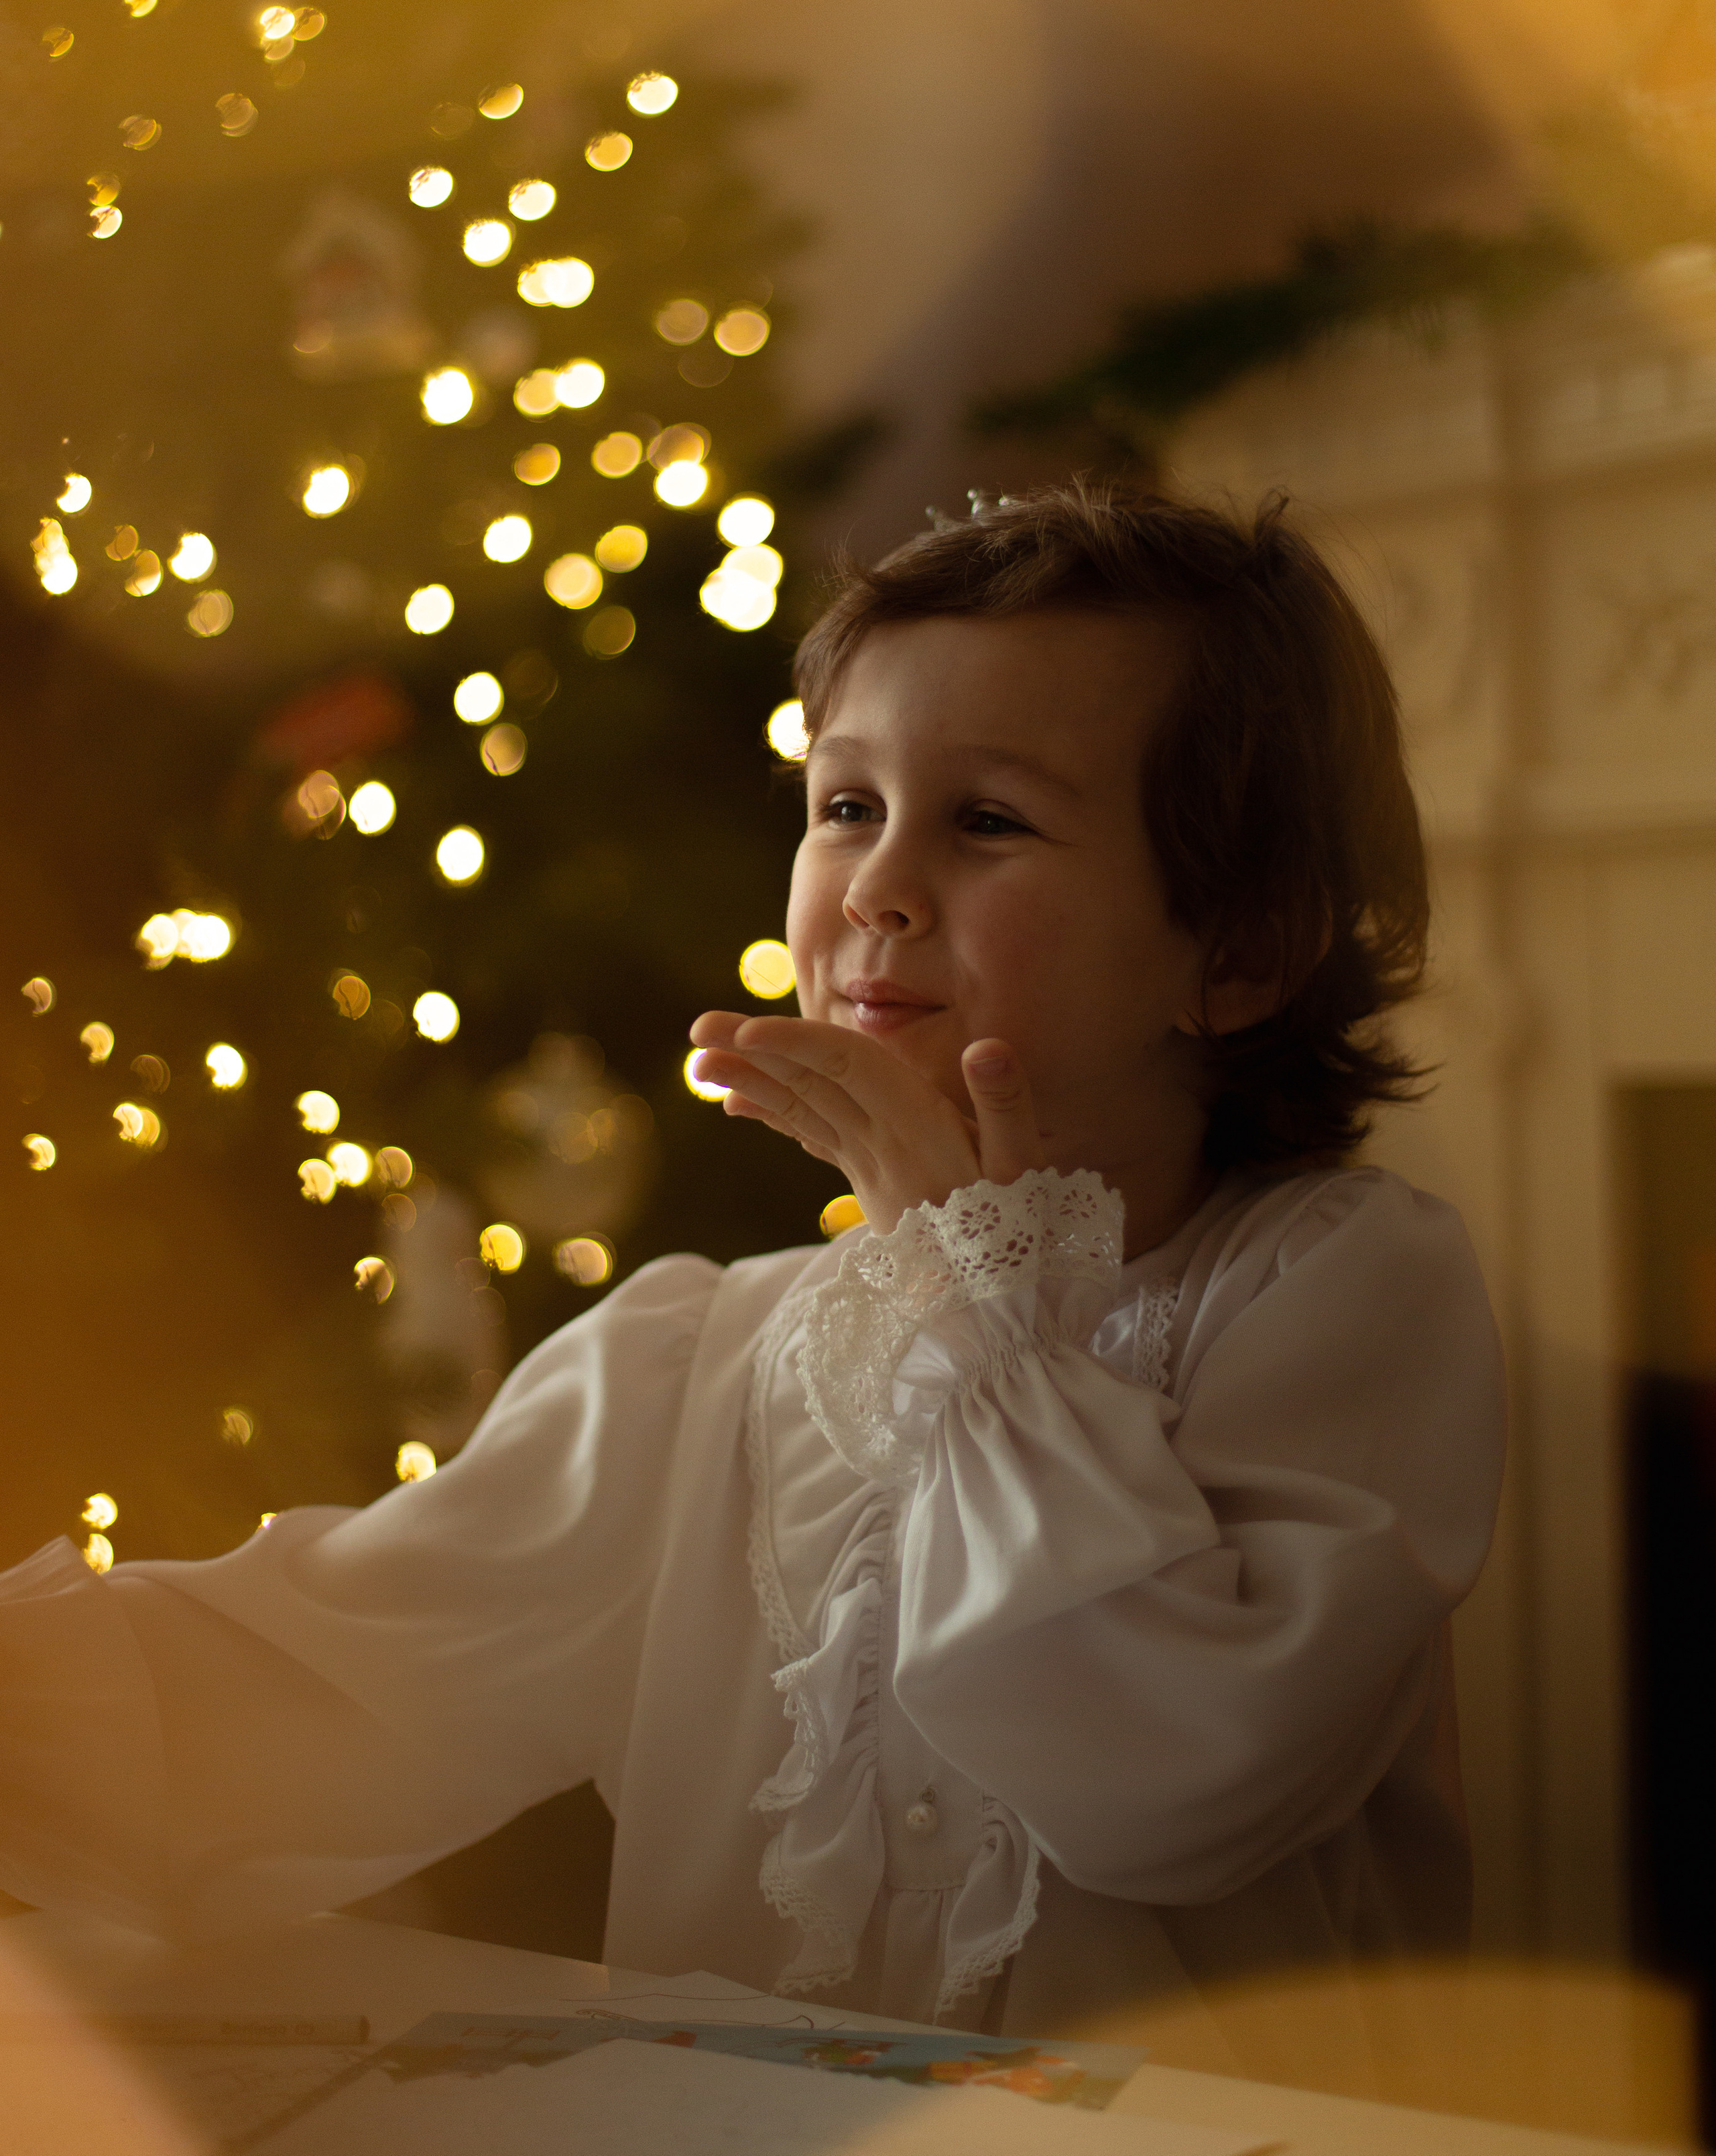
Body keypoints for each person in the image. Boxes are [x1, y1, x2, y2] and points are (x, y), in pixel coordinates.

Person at [0, 483, 1504, 2048]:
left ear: (1239, 948)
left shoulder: (1345, 1290)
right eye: (844, 805)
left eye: (984, 820)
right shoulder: (692, 1366)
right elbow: (316, 1685)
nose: (871, 886)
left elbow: (1172, 1783)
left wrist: (953, 1280)